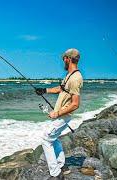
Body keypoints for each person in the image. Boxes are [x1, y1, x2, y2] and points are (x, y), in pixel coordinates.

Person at [35, 48, 83, 177]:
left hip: (63, 116)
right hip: (62, 115)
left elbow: (75, 104)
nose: (63, 61)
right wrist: (44, 90)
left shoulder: (75, 78)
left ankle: (55, 173)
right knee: (53, 138)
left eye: (64, 59)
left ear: (68, 59)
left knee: (46, 139)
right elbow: (61, 89)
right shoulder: (70, 75)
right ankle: (61, 164)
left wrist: (57, 113)